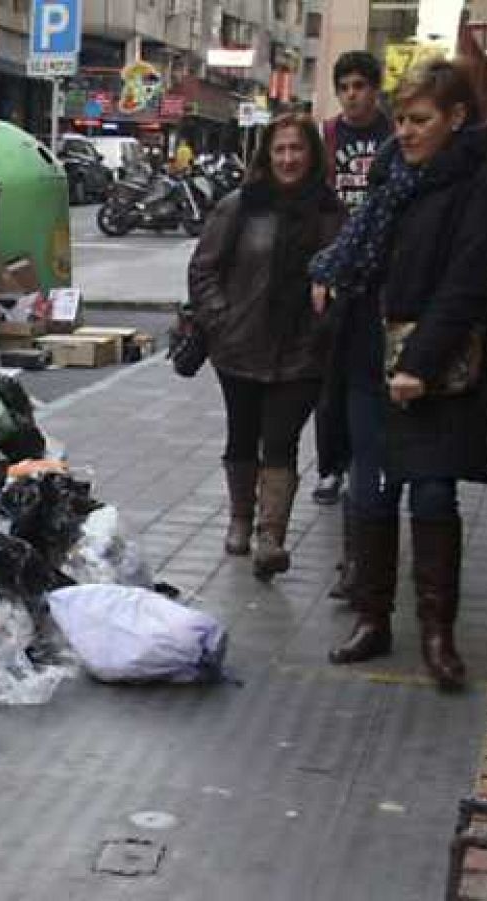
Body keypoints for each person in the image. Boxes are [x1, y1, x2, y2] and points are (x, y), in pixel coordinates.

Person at [311, 58, 487, 690]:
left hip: (437, 367)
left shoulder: (485, 183)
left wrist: (419, 364)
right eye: (400, 118)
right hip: (370, 357)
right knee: (370, 489)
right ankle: (373, 620)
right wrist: (330, 271)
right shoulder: (391, 174)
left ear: (457, 118)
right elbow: (361, 250)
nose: (405, 130)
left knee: (431, 492)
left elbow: (465, 282)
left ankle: (437, 634)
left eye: (420, 119)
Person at [188, 114, 346, 579]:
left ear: (312, 155)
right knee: (242, 434)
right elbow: (204, 269)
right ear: (266, 155)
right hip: (241, 345)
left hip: (302, 349)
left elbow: (347, 273)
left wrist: (331, 308)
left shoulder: (329, 212)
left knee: (281, 440)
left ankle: (270, 535)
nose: (288, 158)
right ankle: (240, 516)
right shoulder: (240, 206)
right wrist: (220, 320)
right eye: (279, 150)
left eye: (297, 149)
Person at [315, 51, 394, 510]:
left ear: (375, 89)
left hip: (377, 272)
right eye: (344, 86)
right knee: (330, 381)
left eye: (360, 85)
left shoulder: (392, 135)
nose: (351, 95)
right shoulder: (327, 135)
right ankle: (331, 465)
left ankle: (368, 464)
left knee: (370, 378)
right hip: (332, 270)